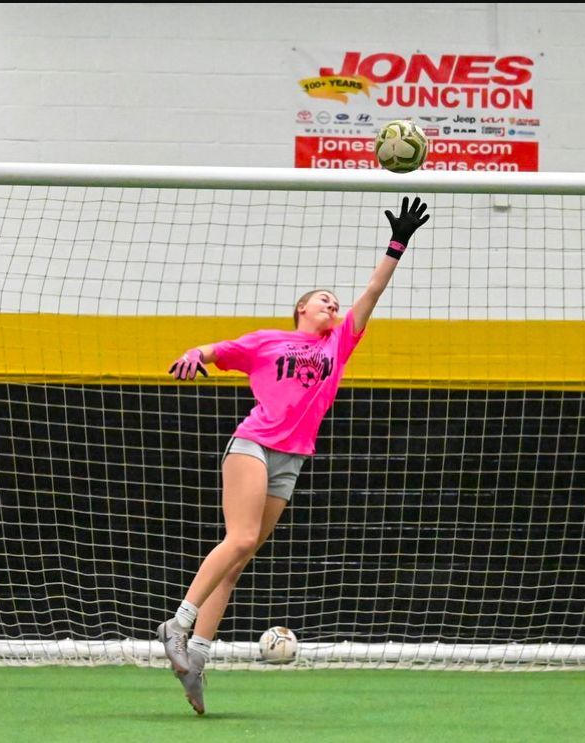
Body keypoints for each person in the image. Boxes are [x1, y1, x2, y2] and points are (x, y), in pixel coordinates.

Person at [158, 196, 430, 715]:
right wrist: (197, 352)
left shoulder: (338, 346)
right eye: (322, 300)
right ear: (301, 310)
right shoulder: (270, 342)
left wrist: (397, 245)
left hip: (293, 457)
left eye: (334, 301)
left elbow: (372, 292)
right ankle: (177, 622)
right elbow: (219, 350)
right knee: (238, 537)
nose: (332, 304)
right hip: (254, 445)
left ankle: (196, 657)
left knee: (240, 556)